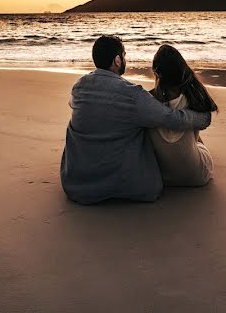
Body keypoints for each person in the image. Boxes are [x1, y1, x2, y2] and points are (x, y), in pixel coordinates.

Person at [60, 35, 212, 204]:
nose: (125, 59)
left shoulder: (79, 86)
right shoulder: (132, 95)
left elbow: (74, 104)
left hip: (77, 185)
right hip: (127, 186)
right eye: (124, 55)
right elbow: (171, 118)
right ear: (117, 60)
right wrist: (202, 119)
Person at [147, 44, 216, 186]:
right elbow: (206, 118)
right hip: (197, 177)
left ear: (156, 71)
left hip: (164, 177)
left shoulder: (146, 101)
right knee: (195, 130)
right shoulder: (191, 97)